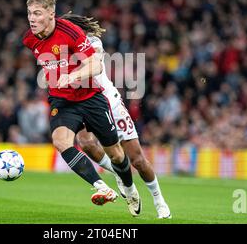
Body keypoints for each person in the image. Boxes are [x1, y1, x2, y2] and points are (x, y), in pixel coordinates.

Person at [23, 0, 141, 216]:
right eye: (29, 13)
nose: (32, 19)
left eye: (37, 13)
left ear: (51, 14)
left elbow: (96, 66)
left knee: (116, 154)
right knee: (60, 141)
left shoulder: (71, 31)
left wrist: (73, 75)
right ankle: (101, 187)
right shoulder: (29, 39)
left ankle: (130, 188)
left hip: (90, 98)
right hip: (62, 100)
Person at [62, 13, 172, 219]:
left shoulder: (92, 42)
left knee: (137, 159)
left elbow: (92, 66)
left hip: (108, 102)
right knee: (84, 142)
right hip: (83, 102)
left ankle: (159, 200)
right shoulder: (61, 48)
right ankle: (121, 178)